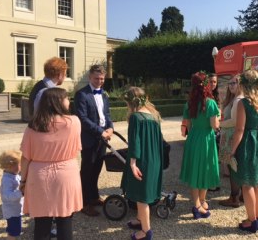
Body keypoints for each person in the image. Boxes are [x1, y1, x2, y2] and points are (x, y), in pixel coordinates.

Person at [19, 88, 83, 239]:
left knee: (42, 221)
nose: (69, 101)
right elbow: (77, 149)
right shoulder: (74, 122)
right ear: (58, 102)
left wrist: (22, 180)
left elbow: (25, 157)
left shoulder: (33, 126)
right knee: (65, 219)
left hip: (40, 175)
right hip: (66, 174)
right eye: (67, 98)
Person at [229, 69, 258, 233]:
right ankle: (257, 215)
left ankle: (251, 220)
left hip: (247, 143)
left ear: (244, 85)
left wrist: (232, 151)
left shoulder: (243, 103)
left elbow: (239, 130)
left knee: (247, 184)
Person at [121, 87, 163, 240]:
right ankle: (140, 220)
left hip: (142, 161)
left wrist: (132, 163)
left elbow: (135, 142)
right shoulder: (154, 116)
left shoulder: (135, 118)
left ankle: (146, 232)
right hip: (154, 160)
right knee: (144, 192)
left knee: (141, 196)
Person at [179, 71, 220, 219]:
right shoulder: (211, 103)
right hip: (206, 139)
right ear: (207, 84)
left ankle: (199, 203)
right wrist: (219, 118)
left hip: (193, 138)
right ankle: (198, 204)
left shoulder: (189, 103)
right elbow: (214, 126)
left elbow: (188, 126)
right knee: (206, 169)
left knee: (195, 170)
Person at [74, 64, 114, 217]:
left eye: (102, 78)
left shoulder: (104, 94)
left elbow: (107, 115)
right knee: (87, 171)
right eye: (96, 78)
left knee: (97, 169)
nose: (99, 81)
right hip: (89, 139)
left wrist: (110, 128)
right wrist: (100, 131)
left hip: (102, 139)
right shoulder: (81, 95)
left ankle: (94, 197)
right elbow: (82, 119)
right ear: (90, 77)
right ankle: (84, 203)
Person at [218, 74, 244, 208]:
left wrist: (219, 124)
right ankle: (240, 195)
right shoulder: (233, 99)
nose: (231, 85)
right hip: (228, 136)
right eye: (230, 83)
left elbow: (234, 121)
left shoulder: (239, 100)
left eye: (234, 83)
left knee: (233, 167)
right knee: (233, 166)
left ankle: (234, 197)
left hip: (231, 136)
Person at [0, 150, 23, 240]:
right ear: (10, 167)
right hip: (11, 211)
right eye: (18, 165)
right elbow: (7, 196)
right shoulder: (7, 180)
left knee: (16, 228)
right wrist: (21, 192)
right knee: (13, 230)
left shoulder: (13, 175)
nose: (20, 167)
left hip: (16, 208)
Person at [208, 72, 221, 192]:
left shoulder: (216, 95)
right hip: (208, 130)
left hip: (215, 130)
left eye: (215, 82)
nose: (213, 84)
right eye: (211, 81)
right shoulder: (205, 97)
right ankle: (209, 182)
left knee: (214, 157)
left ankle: (212, 181)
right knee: (210, 157)